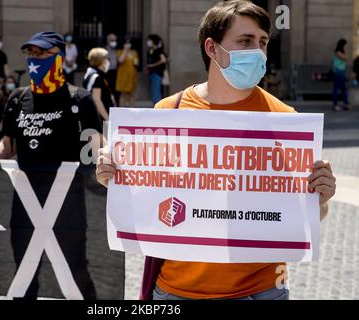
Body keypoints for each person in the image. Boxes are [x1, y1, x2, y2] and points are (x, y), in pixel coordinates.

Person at [96, 0, 337, 301]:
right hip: (176, 292)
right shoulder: (167, 112)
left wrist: (320, 198)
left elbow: (304, 213)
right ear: (212, 48)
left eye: (262, 42)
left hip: (261, 292)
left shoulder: (284, 119)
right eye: (245, 41)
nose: (258, 52)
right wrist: (116, 181)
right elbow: (145, 203)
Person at [0, 31, 103, 299]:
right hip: (26, 203)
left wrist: (113, 157)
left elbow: (97, 146)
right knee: (24, 273)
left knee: (74, 271)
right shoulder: (18, 99)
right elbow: (7, 147)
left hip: (67, 204)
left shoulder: (80, 100)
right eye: (30, 54)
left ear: (59, 57)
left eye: (41, 54)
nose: (34, 60)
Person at [83, 48, 116, 122]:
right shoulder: (96, 77)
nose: (108, 61)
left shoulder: (92, 73)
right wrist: (107, 118)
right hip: (99, 119)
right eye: (106, 59)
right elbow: (96, 100)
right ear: (100, 61)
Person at [116, 38, 139, 108]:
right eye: (126, 43)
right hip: (123, 76)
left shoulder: (134, 52)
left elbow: (136, 63)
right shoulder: (119, 51)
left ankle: (132, 110)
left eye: (129, 43)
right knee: (123, 94)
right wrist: (125, 50)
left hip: (132, 76)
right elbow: (120, 60)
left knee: (132, 94)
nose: (128, 45)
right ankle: (122, 110)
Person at [146, 34, 167, 104]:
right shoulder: (150, 51)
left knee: (156, 91)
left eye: (149, 40)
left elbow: (163, 60)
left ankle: (158, 107)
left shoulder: (158, 51)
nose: (148, 42)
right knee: (154, 91)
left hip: (157, 73)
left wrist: (152, 65)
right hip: (152, 73)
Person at [332, 39, 349, 111]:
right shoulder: (338, 51)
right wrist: (345, 54)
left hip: (341, 71)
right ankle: (335, 105)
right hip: (338, 72)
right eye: (345, 45)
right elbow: (345, 58)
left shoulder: (340, 51)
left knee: (343, 89)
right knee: (337, 89)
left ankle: (346, 104)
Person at [105, 33, 120, 104]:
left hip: (116, 72)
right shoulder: (104, 50)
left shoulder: (117, 49)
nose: (113, 42)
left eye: (115, 40)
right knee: (108, 90)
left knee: (116, 91)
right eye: (112, 40)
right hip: (107, 72)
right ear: (108, 41)